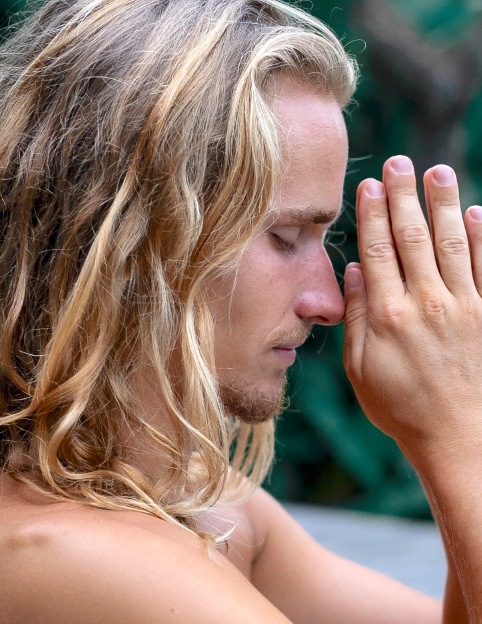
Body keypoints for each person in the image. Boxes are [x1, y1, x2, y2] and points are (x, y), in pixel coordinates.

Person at [0, 0, 479, 622]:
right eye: (286, 238)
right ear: (134, 238)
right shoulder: (79, 555)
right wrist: (459, 431)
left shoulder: (200, 500)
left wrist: (450, 431)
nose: (329, 302)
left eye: (325, 239)